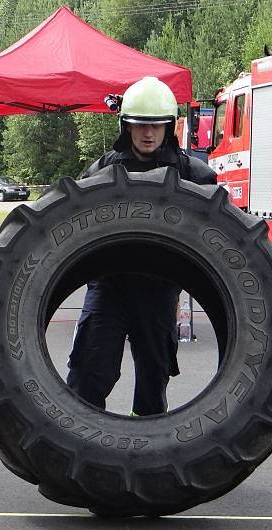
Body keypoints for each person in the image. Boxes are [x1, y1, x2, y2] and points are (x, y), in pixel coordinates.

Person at [66, 76, 216, 416]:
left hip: (160, 289)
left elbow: (219, 239)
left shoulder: (195, 176)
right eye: (139, 126)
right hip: (110, 286)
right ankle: (79, 443)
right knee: (89, 370)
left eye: (156, 126)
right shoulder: (102, 172)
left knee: (153, 379)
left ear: (170, 127)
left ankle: (147, 450)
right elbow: (69, 227)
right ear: (125, 126)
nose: (148, 134)